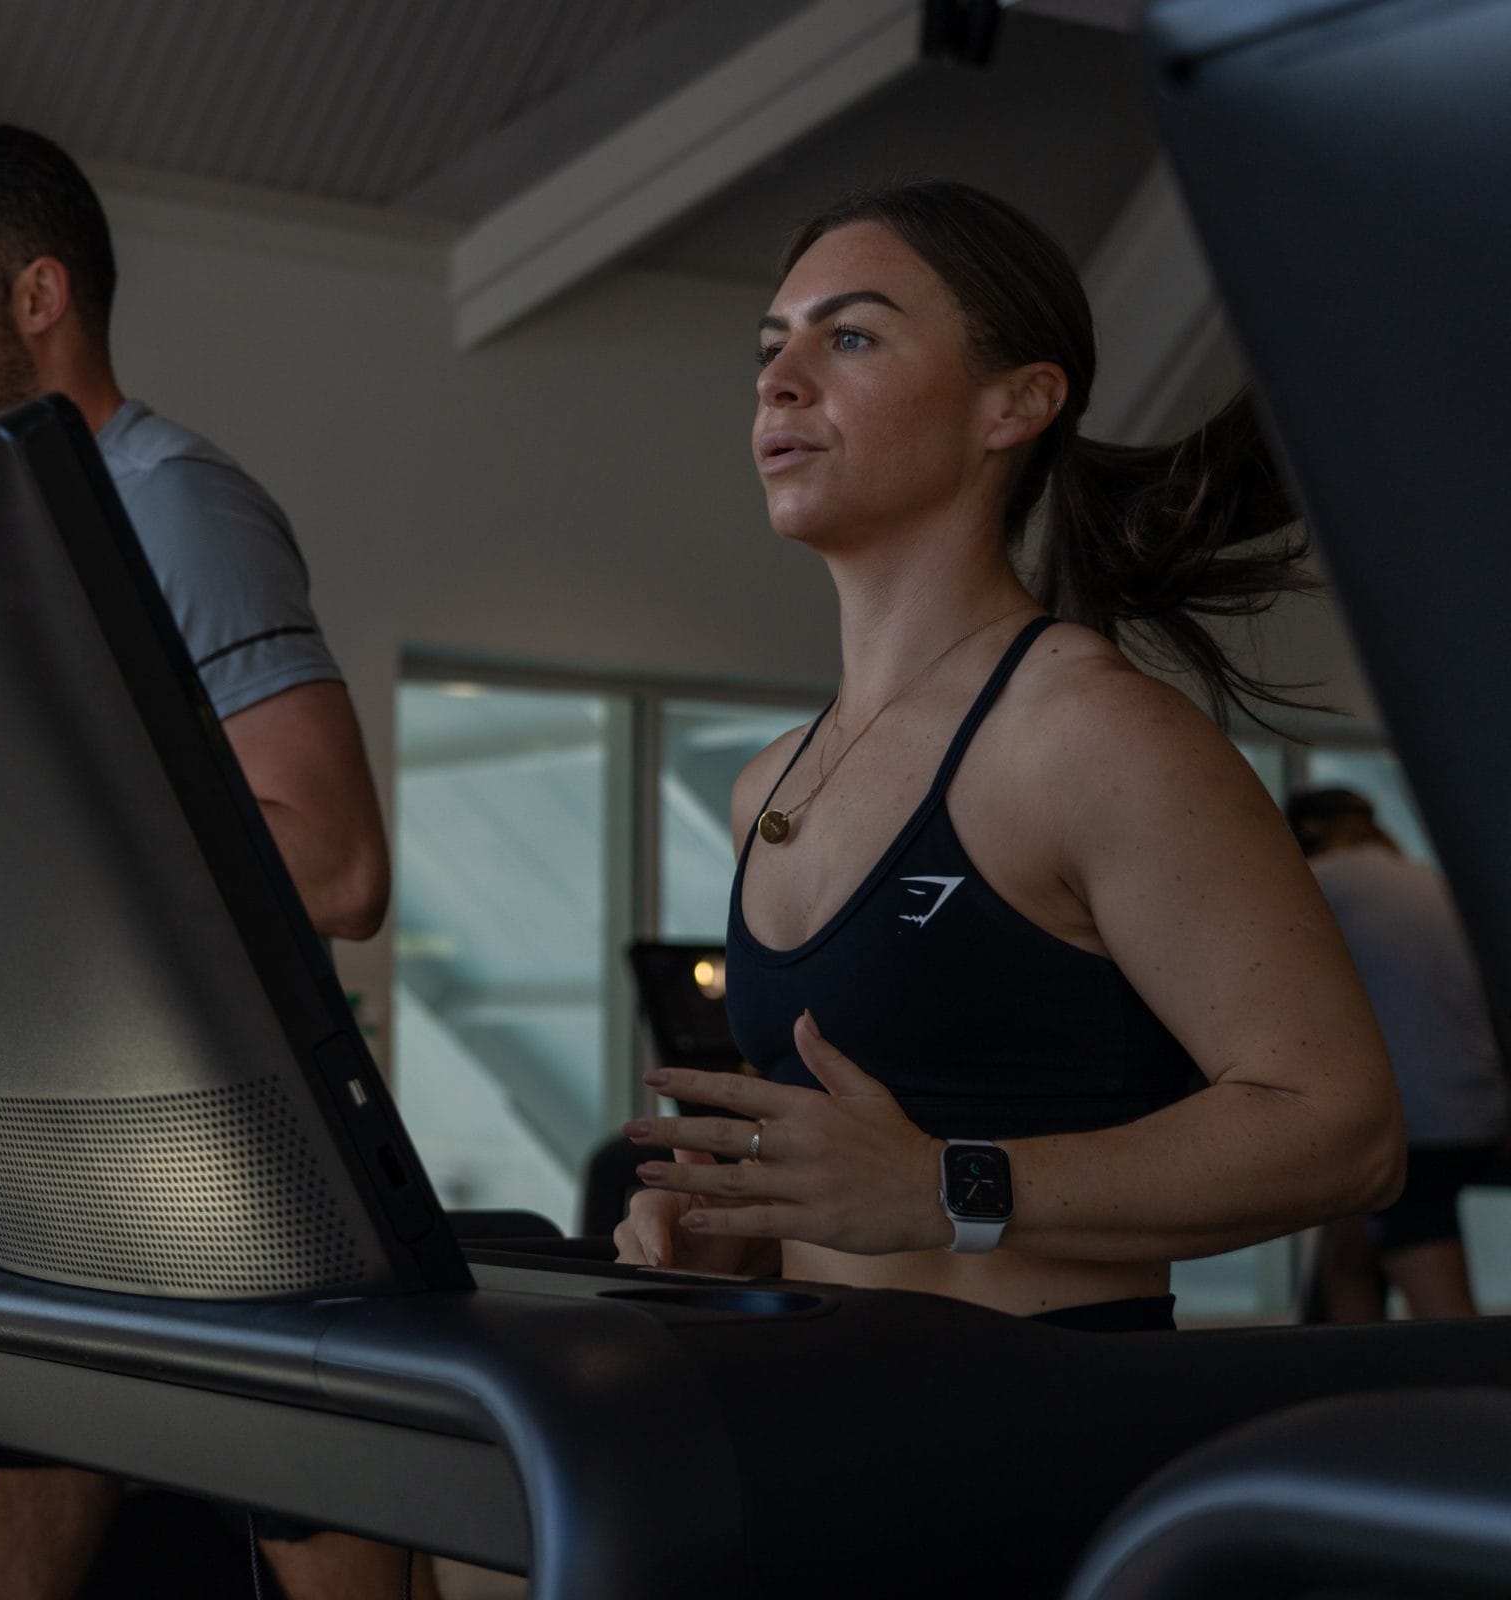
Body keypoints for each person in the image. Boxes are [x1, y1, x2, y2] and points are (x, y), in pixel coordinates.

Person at [614, 181, 1403, 1336]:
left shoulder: (1091, 738)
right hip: (825, 1428)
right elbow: (870, 1186)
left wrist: (947, 1187)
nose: (780, 381)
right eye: (771, 347)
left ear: (1014, 405)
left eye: (850, 336)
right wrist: (753, 1220)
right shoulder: (771, 782)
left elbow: (1344, 1131)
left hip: (1036, 1450)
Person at [0, 128, 405, 1598]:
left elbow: (340, 868)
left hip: (248, 1136)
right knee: (34, 1466)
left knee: (317, 1528)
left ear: (38, 296)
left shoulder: (174, 505)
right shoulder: (0, 529)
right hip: (87, 1102)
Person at [1289, 787, 1505, 1320]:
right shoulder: (1431, 882)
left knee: (1446, 1322)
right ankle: (1354, 1389)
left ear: (1308, 831)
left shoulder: (1318, 883)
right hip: (1475, 1112)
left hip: (1417, 1130)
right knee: (1346, 1257)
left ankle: (1469, 1401)